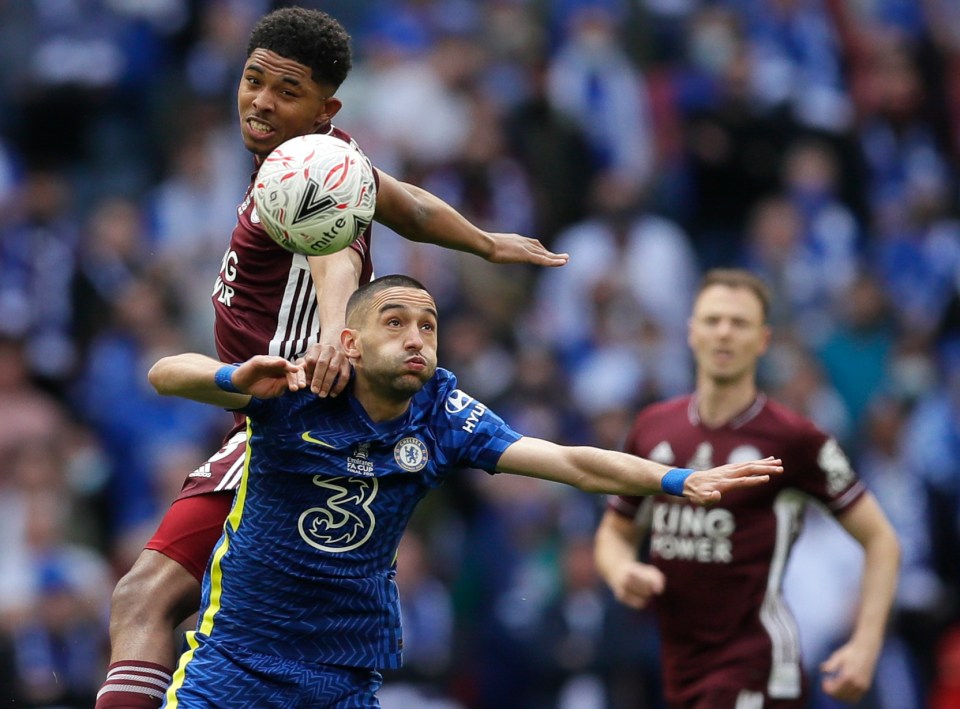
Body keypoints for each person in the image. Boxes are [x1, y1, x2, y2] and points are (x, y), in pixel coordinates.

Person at [95, 8, 569, 708]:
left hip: (287, 411)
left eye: (286, 91)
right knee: (195, 610)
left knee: (149, 597)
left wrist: (329, 332)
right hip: (274, 420)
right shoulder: (328, 156)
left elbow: (335, 251)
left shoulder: (313, 169)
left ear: (326, 107)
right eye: (252, 80)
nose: (261, 100)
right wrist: (484, 242)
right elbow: (402, 203)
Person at [147, 274, 783, 707]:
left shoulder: (444, 415)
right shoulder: (296, 391)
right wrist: (235, 375)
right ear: (350, 343)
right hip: (238, 660)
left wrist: (677, 479)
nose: (416, 338)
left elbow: (568, 461)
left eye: (427, 325)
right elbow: (165, 374)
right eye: (395, 323)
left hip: (341, 674)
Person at [593, 268, 901, 709]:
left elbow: (882, 541)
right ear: (691, 331)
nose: (724, 333)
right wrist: (621, 570)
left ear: (763, 340)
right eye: (713, 320)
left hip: (757, 665)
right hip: (681, 668)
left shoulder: (795, 439)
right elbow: (615, 531)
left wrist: (866, 646)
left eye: (739, 323)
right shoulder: (653, 428)